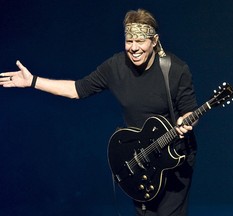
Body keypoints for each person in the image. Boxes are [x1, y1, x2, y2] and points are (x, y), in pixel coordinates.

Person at [0, 8, 198, 216]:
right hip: (142, 159)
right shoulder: (115, 66)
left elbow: (189, 111)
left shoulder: (175, 69)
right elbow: (77, 89)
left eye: (140, 41)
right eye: (129, 41)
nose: (134, 48)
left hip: (173, 156)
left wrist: (185, 122)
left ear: (154, 41)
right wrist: (32, 81)